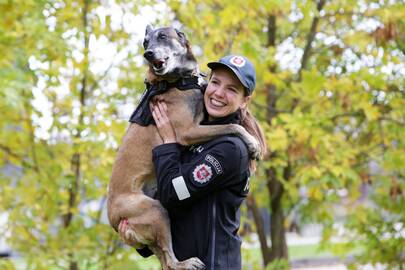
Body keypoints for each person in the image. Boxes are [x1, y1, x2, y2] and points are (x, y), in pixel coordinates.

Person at [122, 55, 266, 269]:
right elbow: (168, 203)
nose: (218, 93)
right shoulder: (191, 137)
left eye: (231, 89)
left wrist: (168, 144)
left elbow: (174, 192)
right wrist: (139, 239)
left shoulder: (230, 149)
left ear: (245, 100)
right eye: (215, 82)